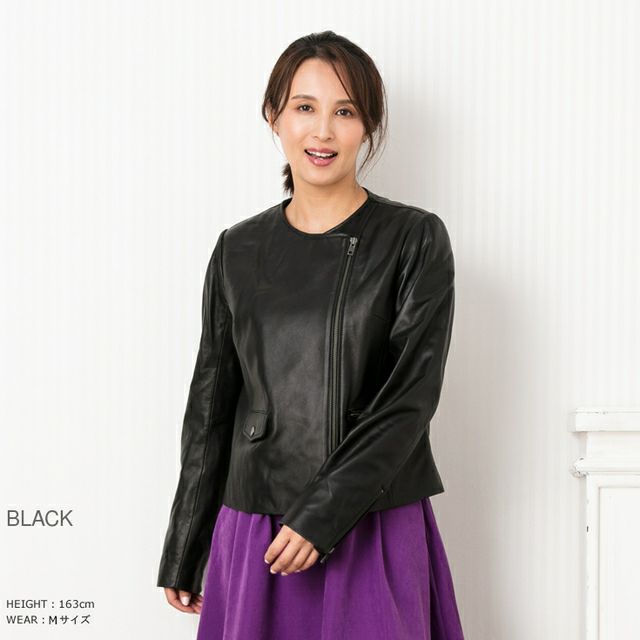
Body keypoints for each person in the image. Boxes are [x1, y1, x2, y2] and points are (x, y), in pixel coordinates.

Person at [157, 30, 465, 639]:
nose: (322, 131)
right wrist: (186, 543)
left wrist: (323, 513)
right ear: (274, 115)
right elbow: (211, 405)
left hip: (371, 517)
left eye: (345, 112)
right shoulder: (238, 248)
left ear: (367, 127)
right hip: (258, 525)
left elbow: (408, 400)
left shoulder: (414, 238)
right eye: (305, 107)